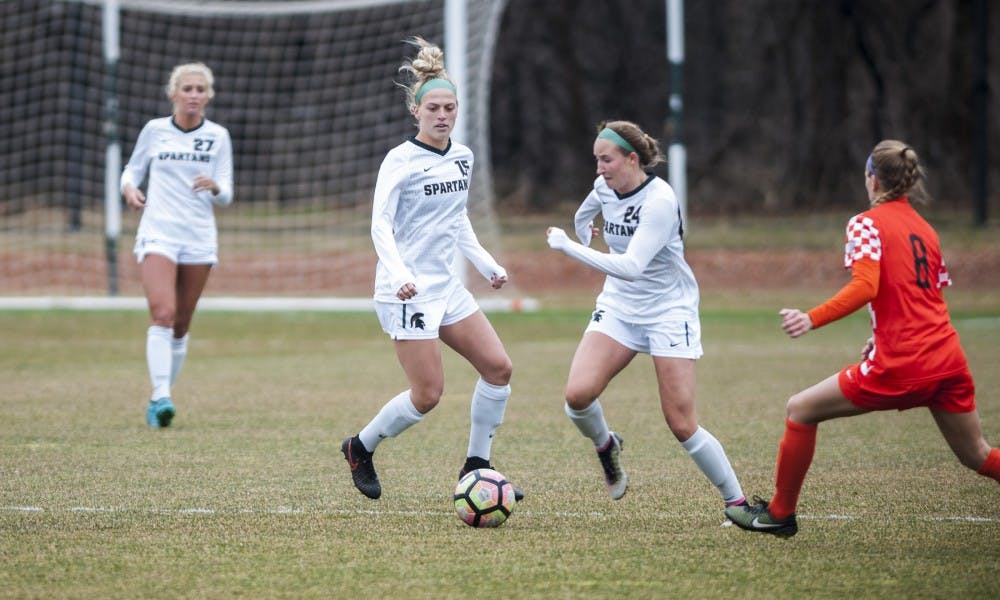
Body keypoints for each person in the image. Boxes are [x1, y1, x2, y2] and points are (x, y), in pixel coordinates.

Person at [725, 140, 1000, 538]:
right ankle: (780, 512)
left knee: (799, 409)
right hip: (947, 358)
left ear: (872, 178)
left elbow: (866, 286)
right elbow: (923, 298)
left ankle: (780, 514)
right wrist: (879, 335)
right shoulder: (926, 230)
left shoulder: (866, 222)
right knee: (977, 454)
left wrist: (810, 317)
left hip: (906, 362)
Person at [341, 37, 521, 501]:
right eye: (434, 107)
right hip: (406, 292)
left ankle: (477, 466)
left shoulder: (462, 157)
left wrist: (486, 263)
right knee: (427, 394)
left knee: (498, 369)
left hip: (448, 288)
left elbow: (456, 218)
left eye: (450, 107)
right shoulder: (400, 161)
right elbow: (379, 226)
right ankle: (360, 446)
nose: (442, 115)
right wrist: (401, 274)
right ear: (415, 111)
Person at [546, 120, 746, 511]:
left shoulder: (659, 201)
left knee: (681, 423)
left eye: (606, 160)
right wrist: (584, 235)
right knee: (577, 396)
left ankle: (735, 501)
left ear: (632, 158)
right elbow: (583, 216)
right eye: (596, 160)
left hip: (668, 310)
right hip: (620, 305)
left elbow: (633, 265)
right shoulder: (604, 186)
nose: (599, 168)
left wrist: (570, 249)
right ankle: (607, 445)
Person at [120, 62, 234, 429]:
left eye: (201, 89)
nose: (194, 95)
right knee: (163, 314)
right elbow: (131, 171)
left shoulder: (217, 136)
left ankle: (162, 395)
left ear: (208, 96)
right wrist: (129, 189)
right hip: (159, 232)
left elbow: (227, 193)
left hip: (198, 236)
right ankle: (160, 396)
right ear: (174, 93)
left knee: (181, 325)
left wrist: (215, 187)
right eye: (188, 89)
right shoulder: (155, 131)